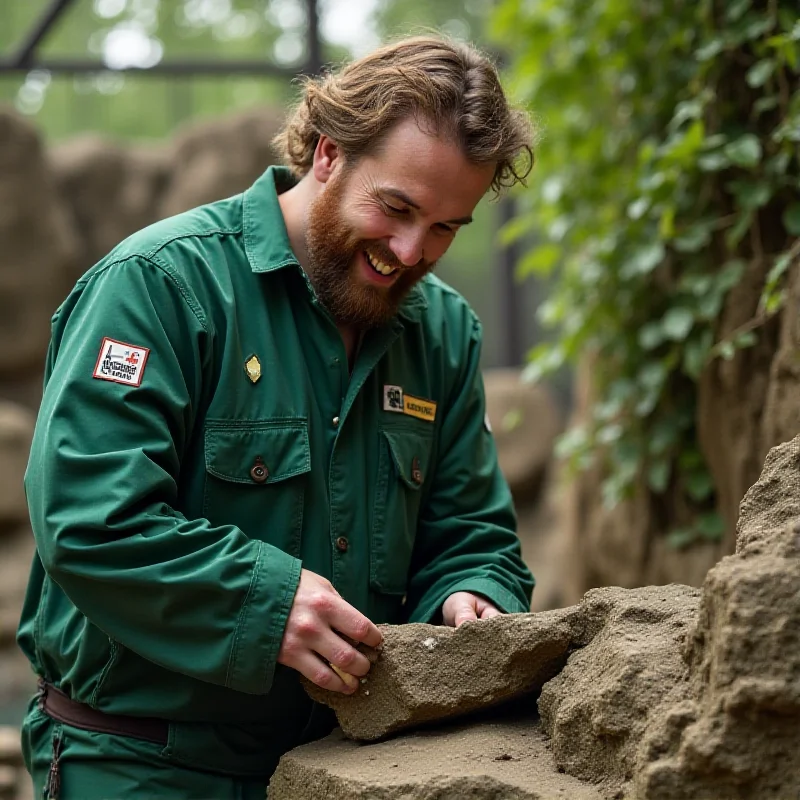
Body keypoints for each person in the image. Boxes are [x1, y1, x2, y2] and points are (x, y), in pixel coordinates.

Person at [17, 35, 535, 799]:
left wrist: (472, 600)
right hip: (143, 762)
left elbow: (471, 534)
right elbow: (91, 519)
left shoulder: (444, 333)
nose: (409, 249)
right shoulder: (157, 287)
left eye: (445, 228)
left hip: (352, 765)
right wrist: (264, 601)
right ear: (328, 153)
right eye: (396, 208)